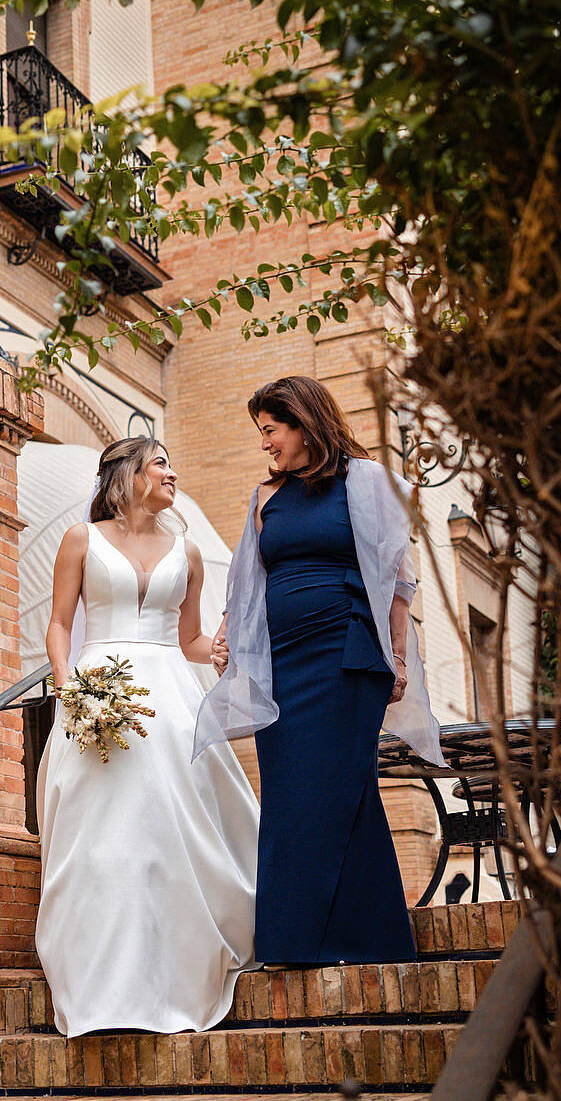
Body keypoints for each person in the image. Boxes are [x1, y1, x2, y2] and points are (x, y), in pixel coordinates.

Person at [198, 376, 445, 966]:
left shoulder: (368, 483)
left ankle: (314, 938)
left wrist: (399, 657)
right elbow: (247, 577)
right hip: (282, 662)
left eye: (271, 430)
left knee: (332, 786)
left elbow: (398, 578)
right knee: (292, 790)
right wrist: (232, 633)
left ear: (305, 422)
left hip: (346, 656)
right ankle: (357, 939)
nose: (265, 444)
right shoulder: (264, 497)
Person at [37, 437, 260, 1036]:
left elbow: (188, 640)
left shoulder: (187, 552)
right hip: (96, 691)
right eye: (161, 463)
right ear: (128, 474)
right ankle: (98, 986)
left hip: (170, 696)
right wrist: (70, 689)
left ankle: (175, 975)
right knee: (101, 837)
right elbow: (59, 625)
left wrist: (212, 650)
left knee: (170, 831)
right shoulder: (81, 540)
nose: (173, 473)